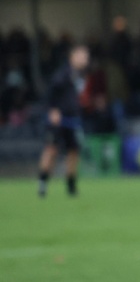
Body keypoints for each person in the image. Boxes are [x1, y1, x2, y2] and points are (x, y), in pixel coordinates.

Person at [37, 44, 89, 198]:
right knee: (51, 150)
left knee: (74, 152)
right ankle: (42, 183)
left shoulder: (80, 75)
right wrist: (53, 110)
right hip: (59, 120)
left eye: (86, 56)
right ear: (72, 56)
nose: (85, 58)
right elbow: (49, 94)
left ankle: (71, 186)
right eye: (82, 55)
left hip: (73, 120)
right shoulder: (62, 74)